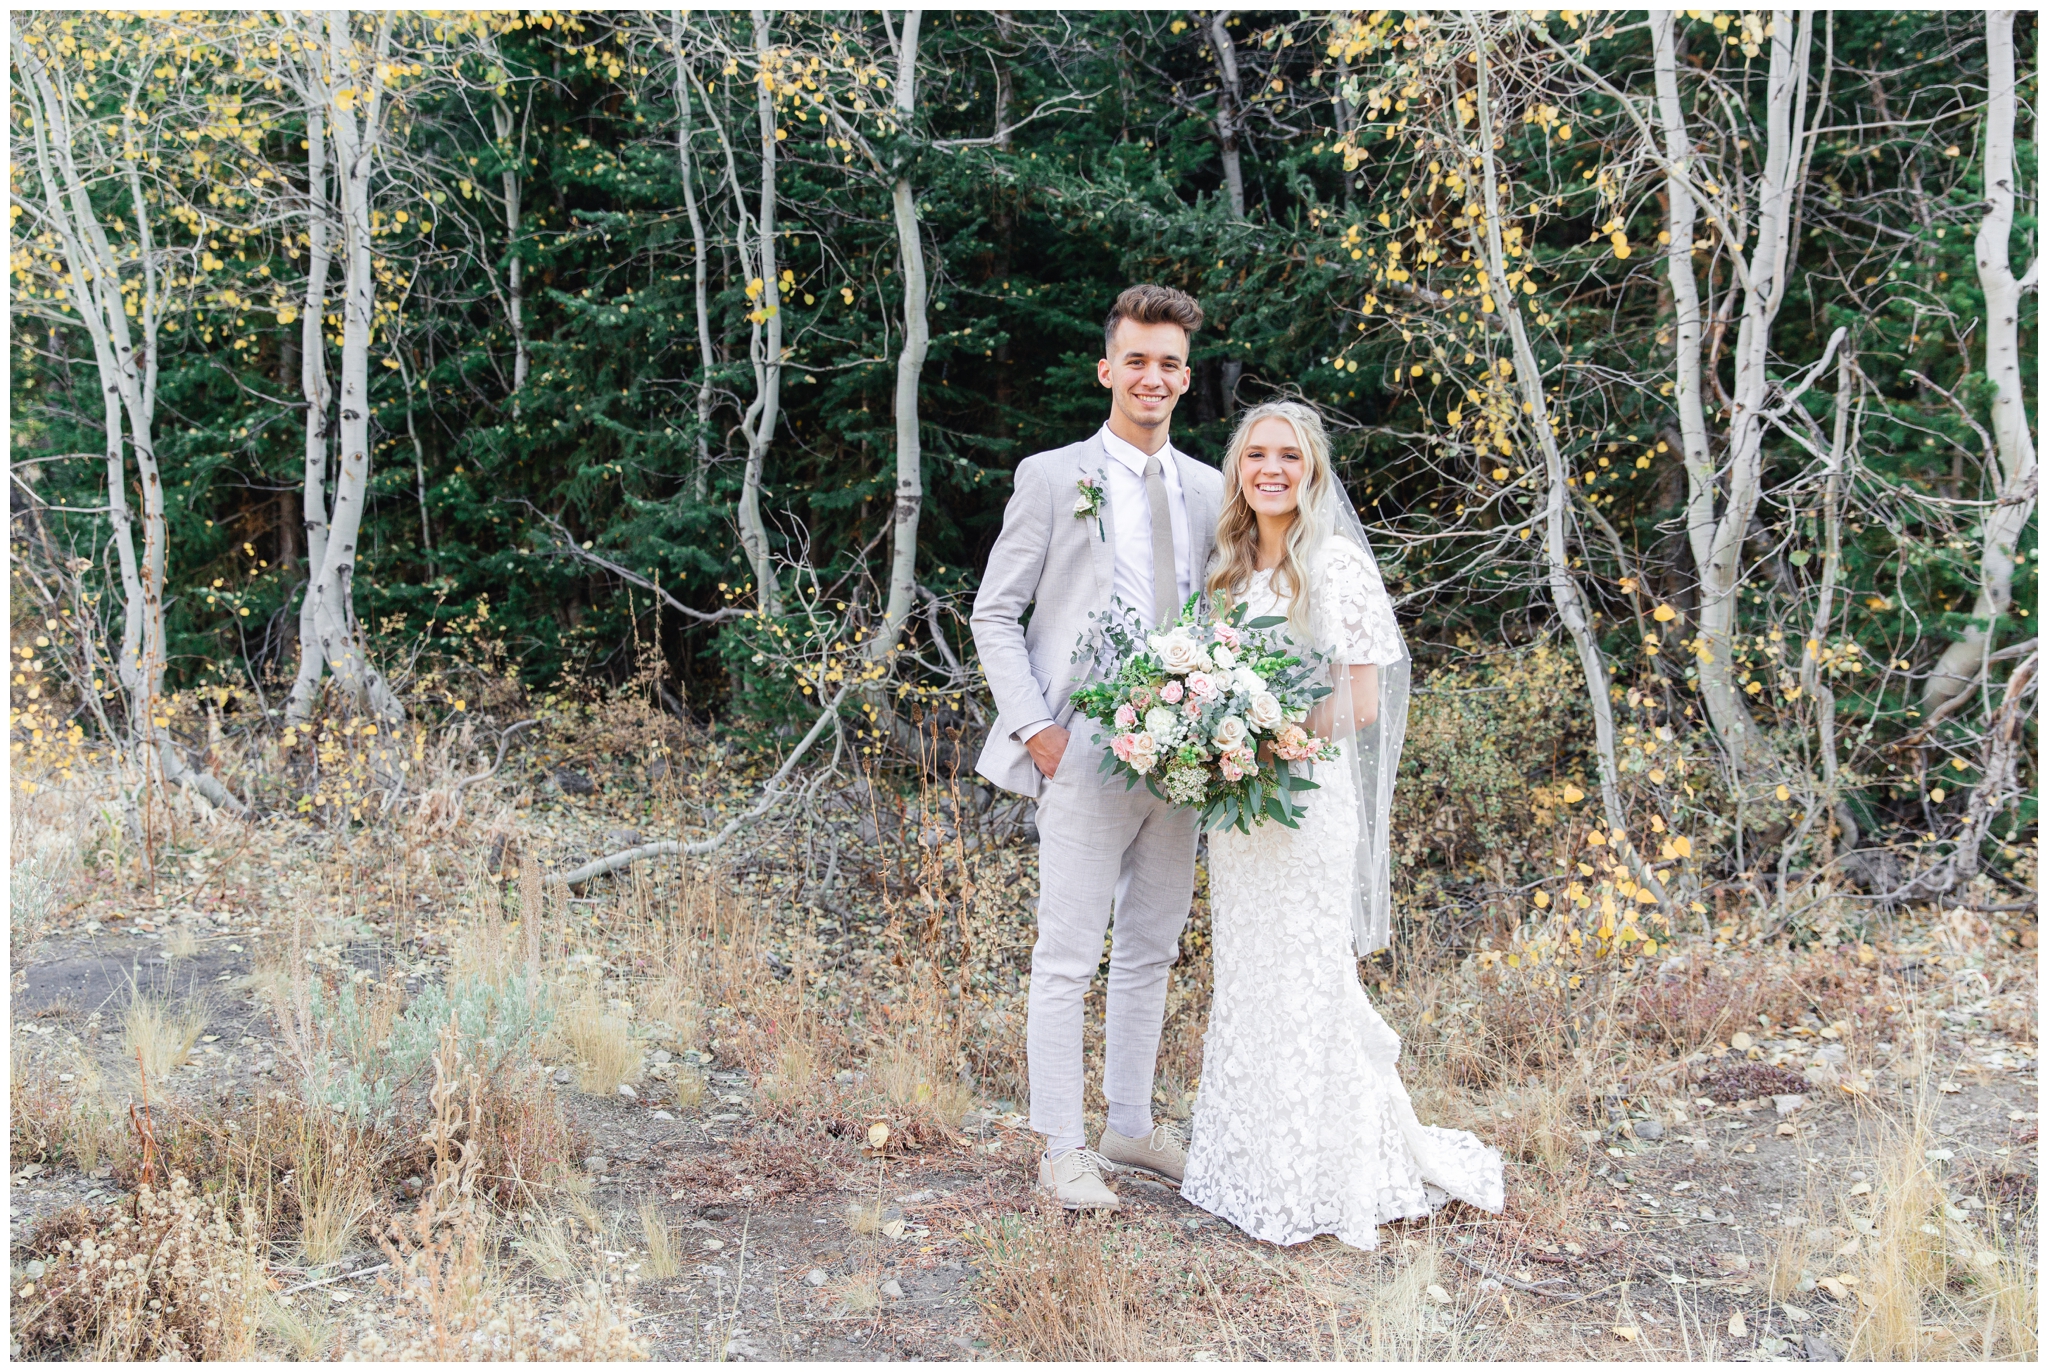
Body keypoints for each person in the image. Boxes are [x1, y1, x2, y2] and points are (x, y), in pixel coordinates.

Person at [1178, 400, 1504, 1247]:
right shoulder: (1228, 567)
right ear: (1240, 470)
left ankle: (1326, 1176)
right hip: (1239, 809)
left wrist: (1273, 734)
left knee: (1309, 976)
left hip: (1308, 799)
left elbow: (1361, 700)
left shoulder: (1339, 567)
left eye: (1289, 455)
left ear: (1312, 470)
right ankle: (1246, 1166)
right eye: (1257, 455)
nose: (1273, 469)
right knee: (1250, 975)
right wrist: (1214, 736)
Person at [970, 284, 1224, 1209]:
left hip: (1186, 753)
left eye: (1169, 364)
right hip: (1080, 747)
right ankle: (1060, 1147)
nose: (1152, 377)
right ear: (1107, 369)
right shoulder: (1052, 476)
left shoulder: (1207, 488)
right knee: (1068, 955)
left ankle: (1129, 1124)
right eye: (1137, 360)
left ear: (1184, 379)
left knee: (1152, 947)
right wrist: (1037, 727)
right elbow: (995, 611)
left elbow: (1218, 611)